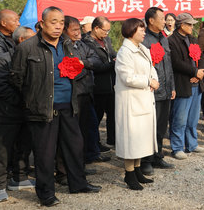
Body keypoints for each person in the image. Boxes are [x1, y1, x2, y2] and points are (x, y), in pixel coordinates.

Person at [11, 6, 101, 207]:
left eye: (61, 22)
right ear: (42, 24)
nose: (58, 26)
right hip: (42, 109)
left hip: (69, 105)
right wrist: (32, 99)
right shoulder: (28, 47)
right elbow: (17, 78)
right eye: (53, 22)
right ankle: (46, 194)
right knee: (45, 153)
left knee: (75, 146)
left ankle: (78, 184)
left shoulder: (68, 45)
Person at [114, 18, 157, 190]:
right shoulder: (125, 52)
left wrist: (154, 79)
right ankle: (129, 174)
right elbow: (127, 77)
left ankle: (137, 170)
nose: (144, 32)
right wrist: (148, 81)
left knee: (140, 138)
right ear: (131, 30)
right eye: (141, 29)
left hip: (144, 98)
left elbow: (151, 67)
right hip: (130, 101)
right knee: (130, 139)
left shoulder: (143, 49)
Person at [0, 12, 35, 201]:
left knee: (24, 144)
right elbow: (2, 85)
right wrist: (21, 99)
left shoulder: (32, 57)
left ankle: (20, 178)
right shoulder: (4, 57)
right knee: (3, 149)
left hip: (26, 108)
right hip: (7, 110)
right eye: (32, 40)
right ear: (22, 40)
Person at [63, 17, 108, 166]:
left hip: (87, 92)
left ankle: (85, 160)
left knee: (88, 127)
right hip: (74, 94)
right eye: (74, 30)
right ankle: (76, 165)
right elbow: (70, 70)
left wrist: (83, 63)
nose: (78, 33)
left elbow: (97, 60)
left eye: (78, 29)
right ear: (65, 30)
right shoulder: (63, 46)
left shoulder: (81, 44)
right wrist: (85, 67)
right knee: (75, 132)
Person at [140, 7, 176, 174]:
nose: (165, 21)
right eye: (162, 18)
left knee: (161, 126)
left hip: (166, 90)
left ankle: (157, 156)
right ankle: (146, 160)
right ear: (151, 21)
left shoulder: (164, 38)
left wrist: (172, 87)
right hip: (151, 91)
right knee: (149, 127)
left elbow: (168, 65)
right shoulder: (144, 40)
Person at [168, 13, 204, 159]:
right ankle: (177, 147)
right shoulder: (172, 41)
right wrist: (194, 71)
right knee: (179, 118)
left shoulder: (193, 39)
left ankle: (192, 144)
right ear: (181, 25)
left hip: (197, 83)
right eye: (189, 24)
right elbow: (176, 62)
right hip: (183, 83)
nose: (192, 27)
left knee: (193, 118)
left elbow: (202, 57)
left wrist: (200, 72)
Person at [82, 16, 117, 150]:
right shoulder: (86, 42)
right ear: (96, 28)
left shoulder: (106, 40)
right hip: (97, 86)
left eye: (108, 31)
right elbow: (95, 65)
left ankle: (112, 140)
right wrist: (112, 63)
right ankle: (94, 144)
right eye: (104, 30)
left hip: (111, 84)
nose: (106, 34)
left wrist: (113, 60)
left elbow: (112, 54)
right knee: (96, 117)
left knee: (113, 114)